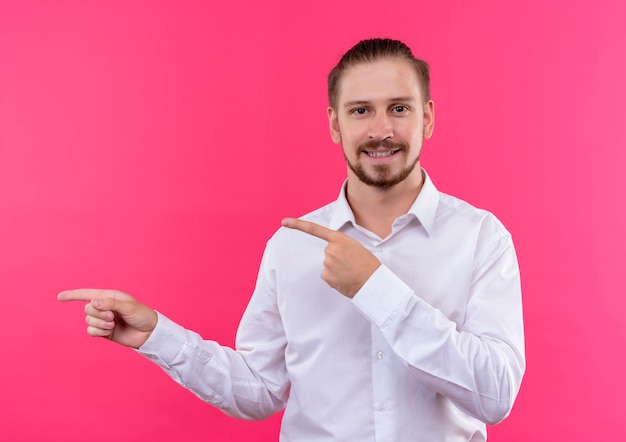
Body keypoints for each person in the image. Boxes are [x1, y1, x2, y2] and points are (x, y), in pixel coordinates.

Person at [59, 38, 525, 441]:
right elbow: (259, 389)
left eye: (398, 108)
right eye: (360, 110)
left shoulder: (482, 238)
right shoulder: (291, 247)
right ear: (334, 124)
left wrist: (376, 289)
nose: (380, 129)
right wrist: (156, 335)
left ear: (426, 118)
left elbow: (496, 393)